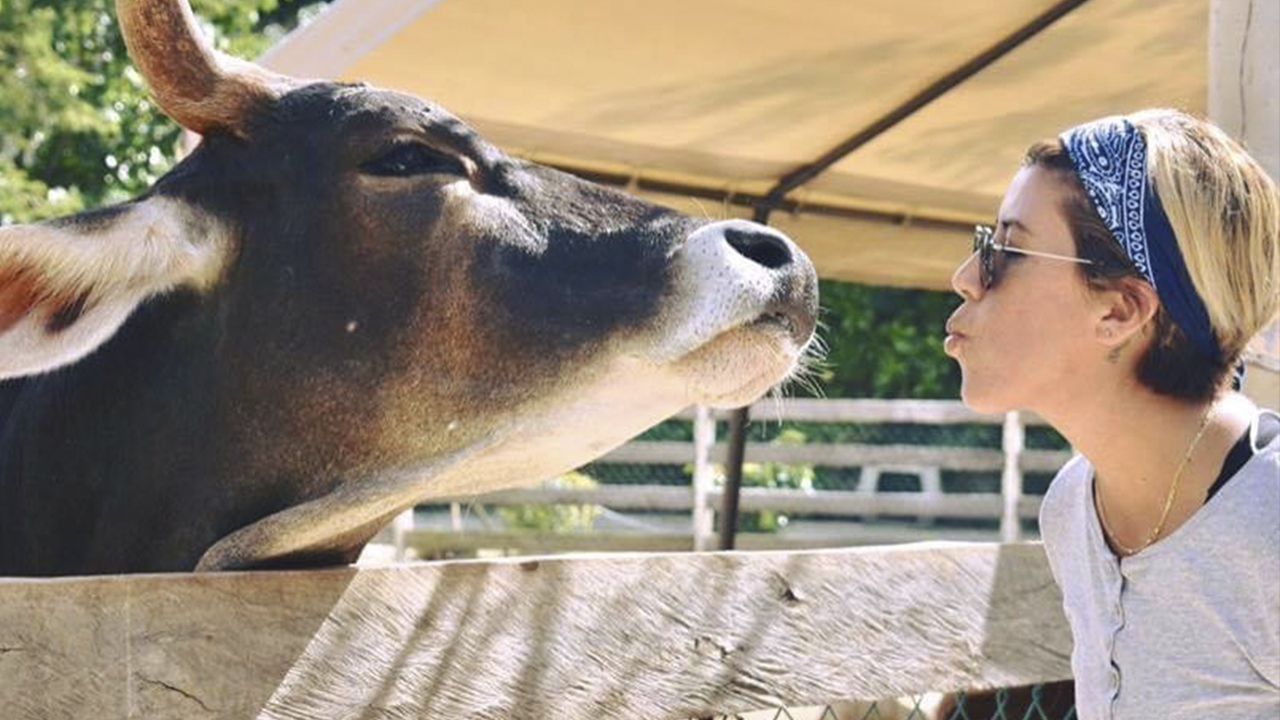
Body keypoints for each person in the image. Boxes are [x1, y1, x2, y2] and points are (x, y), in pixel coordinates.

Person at [944, 108, 1279, 720]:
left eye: (1007, 251)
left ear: (1121, 312)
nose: (966, 277)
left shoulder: (1272, 521)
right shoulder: (1071, 510)